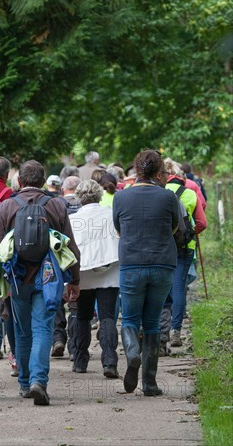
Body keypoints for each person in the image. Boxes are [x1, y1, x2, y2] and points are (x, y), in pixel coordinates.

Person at [0, 160, 80, 406]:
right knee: (43, 329)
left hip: (17, 280)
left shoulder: (7, 206)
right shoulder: (56, 205)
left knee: (22, 331)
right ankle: (38, 382)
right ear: (43, 182)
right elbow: (70, 246)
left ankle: (24, 383)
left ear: (20, 181)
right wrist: (75, 279)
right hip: (48, 278)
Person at [113, 149, 179, 396]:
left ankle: (132, 353)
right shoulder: (168, 197)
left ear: (137, 169)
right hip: (162, 264)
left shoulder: (121, 197)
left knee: (129, 319)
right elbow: (175, 226)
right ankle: (150, 383)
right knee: (152, 322)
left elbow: (118, 226)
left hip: (131, 262)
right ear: (158, 171)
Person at [69, 179, 120, 378]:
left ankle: (80, 360)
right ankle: (109, 361)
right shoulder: (110, 214)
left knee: (83, 316)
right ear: (99, 195)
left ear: (79, 197)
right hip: (109, 270)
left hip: (83, 274)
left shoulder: (73, 219)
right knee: (107, 317)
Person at [164, 159, 207, 347]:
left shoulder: (160, 193)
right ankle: (176, 330)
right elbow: (202, 223)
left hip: (162, 247)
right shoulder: (190, 193)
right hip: (184, 247)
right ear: (180, 176)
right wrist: (189, 235)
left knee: (162, 287)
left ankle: (159, 331)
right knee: (179, 287)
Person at [51, 175, 82, 359]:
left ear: (63, 189)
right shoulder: (84, 205)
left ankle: (58, 339)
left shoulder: (55, 205)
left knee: (56, 302)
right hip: (78, 260)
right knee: (75, 305)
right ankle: (74, 347)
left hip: (58, 258)